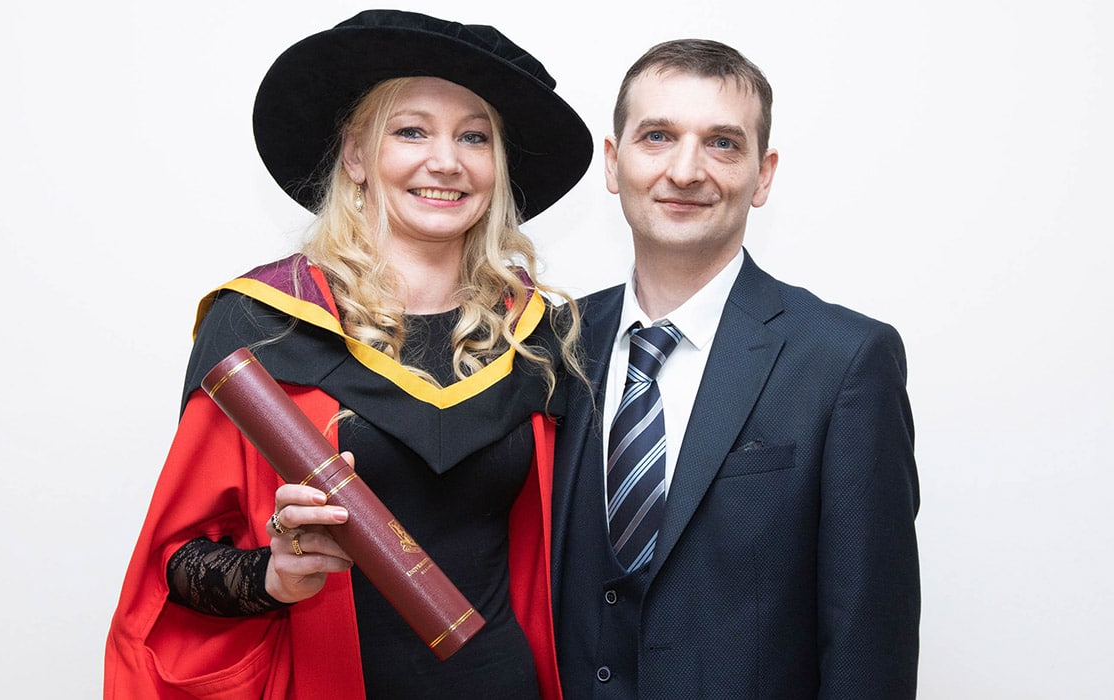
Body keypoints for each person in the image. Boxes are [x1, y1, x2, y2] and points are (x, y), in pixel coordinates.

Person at [104, 10, 592, 699]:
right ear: (357, 155)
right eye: (412, 130)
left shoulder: (541, 335)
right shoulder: (263, 326)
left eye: (474, 136)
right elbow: (175, 562)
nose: (446, 160)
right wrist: (272, 576)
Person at [551, 39, 920, 698]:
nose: (686, 171)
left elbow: (867, 635)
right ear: (614, 163)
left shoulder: (845, 361)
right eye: (657, 136)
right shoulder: (551, 343)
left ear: (764, 174)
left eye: (722, 143)